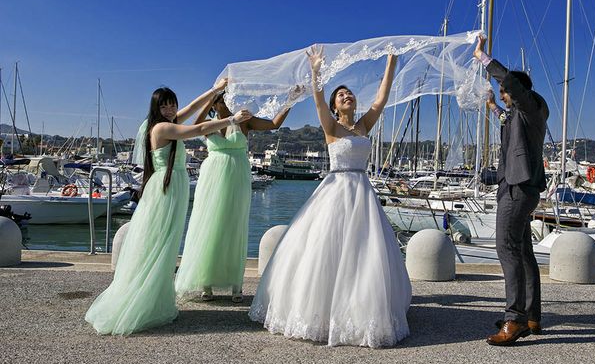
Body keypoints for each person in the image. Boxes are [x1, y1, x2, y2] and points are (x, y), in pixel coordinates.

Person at [249, 44, 412, 348]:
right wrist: (316, 72)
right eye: (342, 95)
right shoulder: (331, 127)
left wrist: (391, 62)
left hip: (362, 192)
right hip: (336, 190)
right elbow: (318, 99)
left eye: (349, 93)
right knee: (328, 250)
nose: (347, 95)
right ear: (337, 106)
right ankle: (322, 314)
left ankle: (362, 309)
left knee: (364, 252)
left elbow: (382, 98)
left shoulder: (363, 125)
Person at [85, 82, 251, 335]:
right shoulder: (161, 127)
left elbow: (195, 108)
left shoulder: (164, 121)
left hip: (170, 186)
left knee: (164, 246)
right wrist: (231, 119)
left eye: (172, 103)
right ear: (156, 107)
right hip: (167, 189)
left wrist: (215, 90)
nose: (171, 108)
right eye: (164, 104)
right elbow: (200, 128)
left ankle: (152, 300)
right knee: (159, 245)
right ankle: (142, 302)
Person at [175, 85, 304, 303]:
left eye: (228, 99)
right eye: (222, 100)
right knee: (208, 225)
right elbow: (195, 126)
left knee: (234, 225)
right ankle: (207, 284)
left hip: (237, 176)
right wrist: (212, 95)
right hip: (212, 177)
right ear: (215, 104)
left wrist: (291, 100)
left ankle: (236, 285)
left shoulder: (245, 120)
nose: (226, 102)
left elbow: (274, 124)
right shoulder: (209, 124)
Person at [473, 35, 549, 346]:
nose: (504, 97)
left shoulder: (530, 106)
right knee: (524, 252)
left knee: (506, 249)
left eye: (505, 93)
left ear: (516, 91)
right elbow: (506, 119)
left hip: (518, 189)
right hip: (521, 187)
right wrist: (492, 106)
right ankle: (532, 315)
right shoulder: (522, 116)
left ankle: (514, 319)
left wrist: (483, 57)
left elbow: (511, 88)